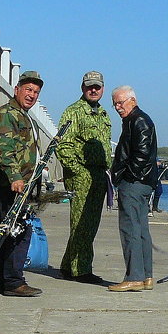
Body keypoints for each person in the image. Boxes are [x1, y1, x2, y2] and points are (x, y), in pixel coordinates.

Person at [0, 70, 45, 297]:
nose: (32, 95)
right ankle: (13, 281)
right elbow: (4, 149)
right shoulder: (6, 114)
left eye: (36, 92)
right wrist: (15, 177)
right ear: (17, 90)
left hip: (23, 184)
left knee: (7, 229)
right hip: (12, 185)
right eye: (28, 90)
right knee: (18, 231)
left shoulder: (24, 116)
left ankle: (5, 280)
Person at [55, 70, 112, 284]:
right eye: (90, 86)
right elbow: (64, 145)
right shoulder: (74, 111)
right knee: (82, 222)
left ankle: (69, 266)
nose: (94, 89)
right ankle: (81, 270)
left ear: (103, 88)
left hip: (99, 174)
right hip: (83, 175)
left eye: (97, 86)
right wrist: (78, 172)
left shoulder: (103, 114)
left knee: (90, 223)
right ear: (82, 88)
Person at [107, 85, 158, 292]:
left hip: (135, 183)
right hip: (142, 182)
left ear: (133, 101)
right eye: (115, 104)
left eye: (121, 102)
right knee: (141, 229)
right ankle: (146, 276)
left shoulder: (138, 120)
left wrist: (126, 177)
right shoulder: (134, 120)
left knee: (130, 229)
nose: (118, 107)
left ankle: (134, 277)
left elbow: (142, 154)